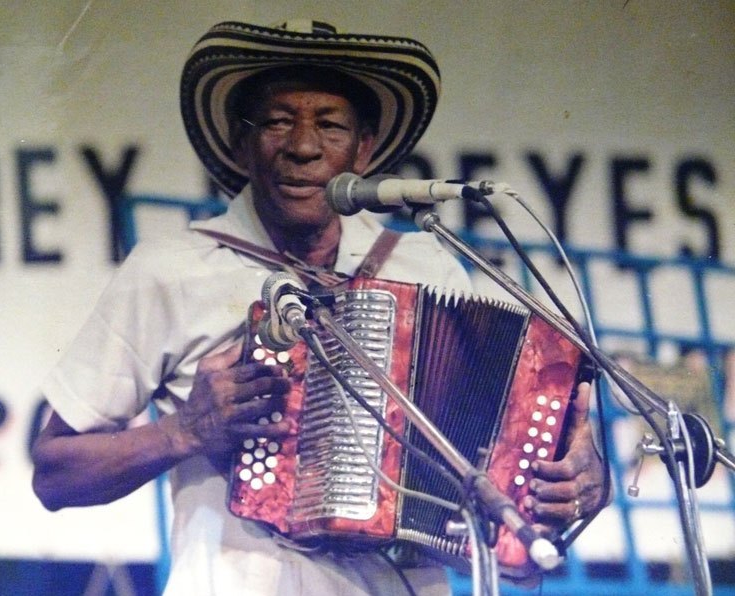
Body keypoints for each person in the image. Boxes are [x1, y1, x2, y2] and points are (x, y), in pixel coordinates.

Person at [32, 19, 607, 596]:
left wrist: (581, 479)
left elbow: (516, 454)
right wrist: (185, 431)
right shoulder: (172, 268)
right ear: (241, 141)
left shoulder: (425, 267)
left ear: (365, 148)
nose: (303, 147)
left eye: (330, 126)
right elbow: (54, 475)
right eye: (278, 121)